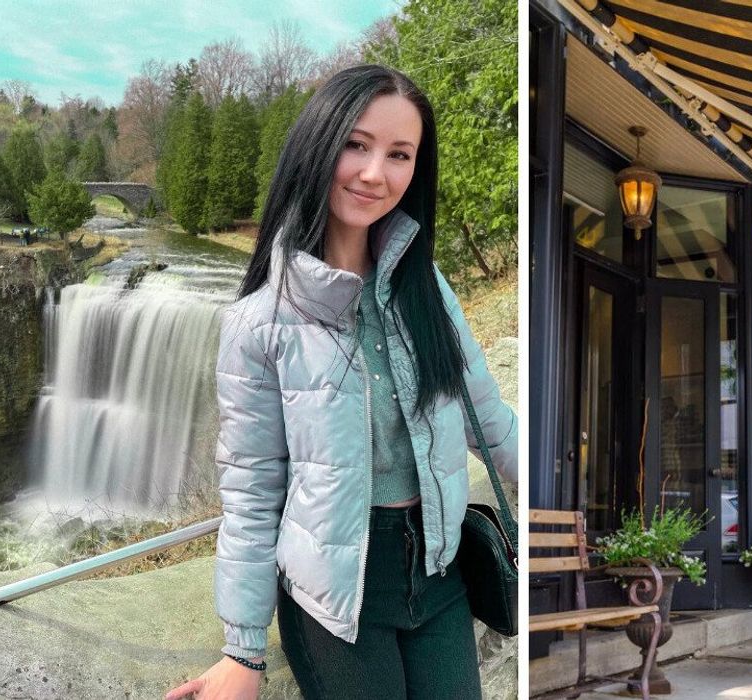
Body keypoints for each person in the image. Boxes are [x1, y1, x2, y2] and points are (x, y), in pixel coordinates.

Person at [165, 65, 518, 700]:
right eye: (357, 144)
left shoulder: (426, 287)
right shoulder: (260, 322)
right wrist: (242, 650)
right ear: (318, 144)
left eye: (399, 154)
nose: (375, 172)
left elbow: (487, 417)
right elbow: (251, 489)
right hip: (336, 598)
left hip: (440, 572)